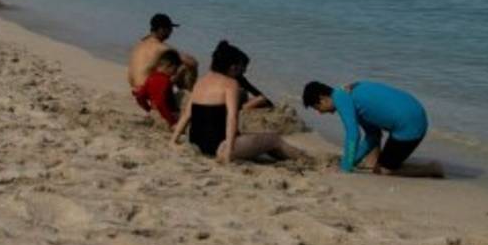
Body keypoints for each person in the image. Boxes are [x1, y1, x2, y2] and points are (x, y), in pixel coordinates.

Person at [172, 42, 309, 163]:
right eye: (240, 68)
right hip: (219, 147)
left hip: (196, 143)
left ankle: (290, 157)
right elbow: (232, 118)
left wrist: (174, 139)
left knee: (259, 140)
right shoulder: (231, 84)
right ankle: (304, 158)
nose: (241, 73)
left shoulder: (201, 82)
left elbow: (187, 115)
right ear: (232, 67)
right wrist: (229, 151)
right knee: (274, 139)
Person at [302, 81, 444, 177]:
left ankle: (430, 169)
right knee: (378, 162)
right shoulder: (347, 93)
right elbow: (373, 136)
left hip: (410, 126)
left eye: (317, 108)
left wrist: (344, 168)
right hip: (415, 115)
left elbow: (353, 134)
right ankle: (389, 161)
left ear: (322, 98)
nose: (320, 113)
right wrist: (354, 161)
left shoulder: (340, 99)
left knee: (381, 171)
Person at [126, 14, 197, 98]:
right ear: (162, 30)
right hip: (147, 92)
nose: (171, 32)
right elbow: (193, 63)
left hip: (135, 88)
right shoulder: (161, 47)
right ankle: (188, 95)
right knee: (186, 66)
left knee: (164, 64)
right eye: (170, 29)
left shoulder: (139, 44)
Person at [210, 40, 272, 111]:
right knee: (246, 95)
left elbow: (256, 92)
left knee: (250, 96)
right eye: (243, 68)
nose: (245, 71)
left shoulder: (238, 78)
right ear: (233, 67)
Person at [132, 49, 184, 127]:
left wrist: (148, 109)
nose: (175, 73)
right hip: (165, 117)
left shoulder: (151, 77)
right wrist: (172, 122)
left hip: (154, 114)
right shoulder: (165, 80)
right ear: (169, 66)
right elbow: (160, 103)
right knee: (183, 94)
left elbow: (140, 96)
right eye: (175, 69)